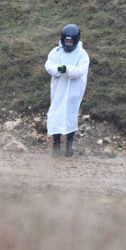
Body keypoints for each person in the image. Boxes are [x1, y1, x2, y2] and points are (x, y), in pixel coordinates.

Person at [44, 24, 89, 157]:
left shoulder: (82, 54)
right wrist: (59, 69)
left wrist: (67, 69)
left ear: (75, 41)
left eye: (70, 42)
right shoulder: (56, 52)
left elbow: (80, 71)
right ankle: (56, 146)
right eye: (66, 41)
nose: (68, 44)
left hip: (73, 91)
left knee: (70, 115)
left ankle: (69, 146)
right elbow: (49, 65)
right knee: (56, 115)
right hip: (58, 89)